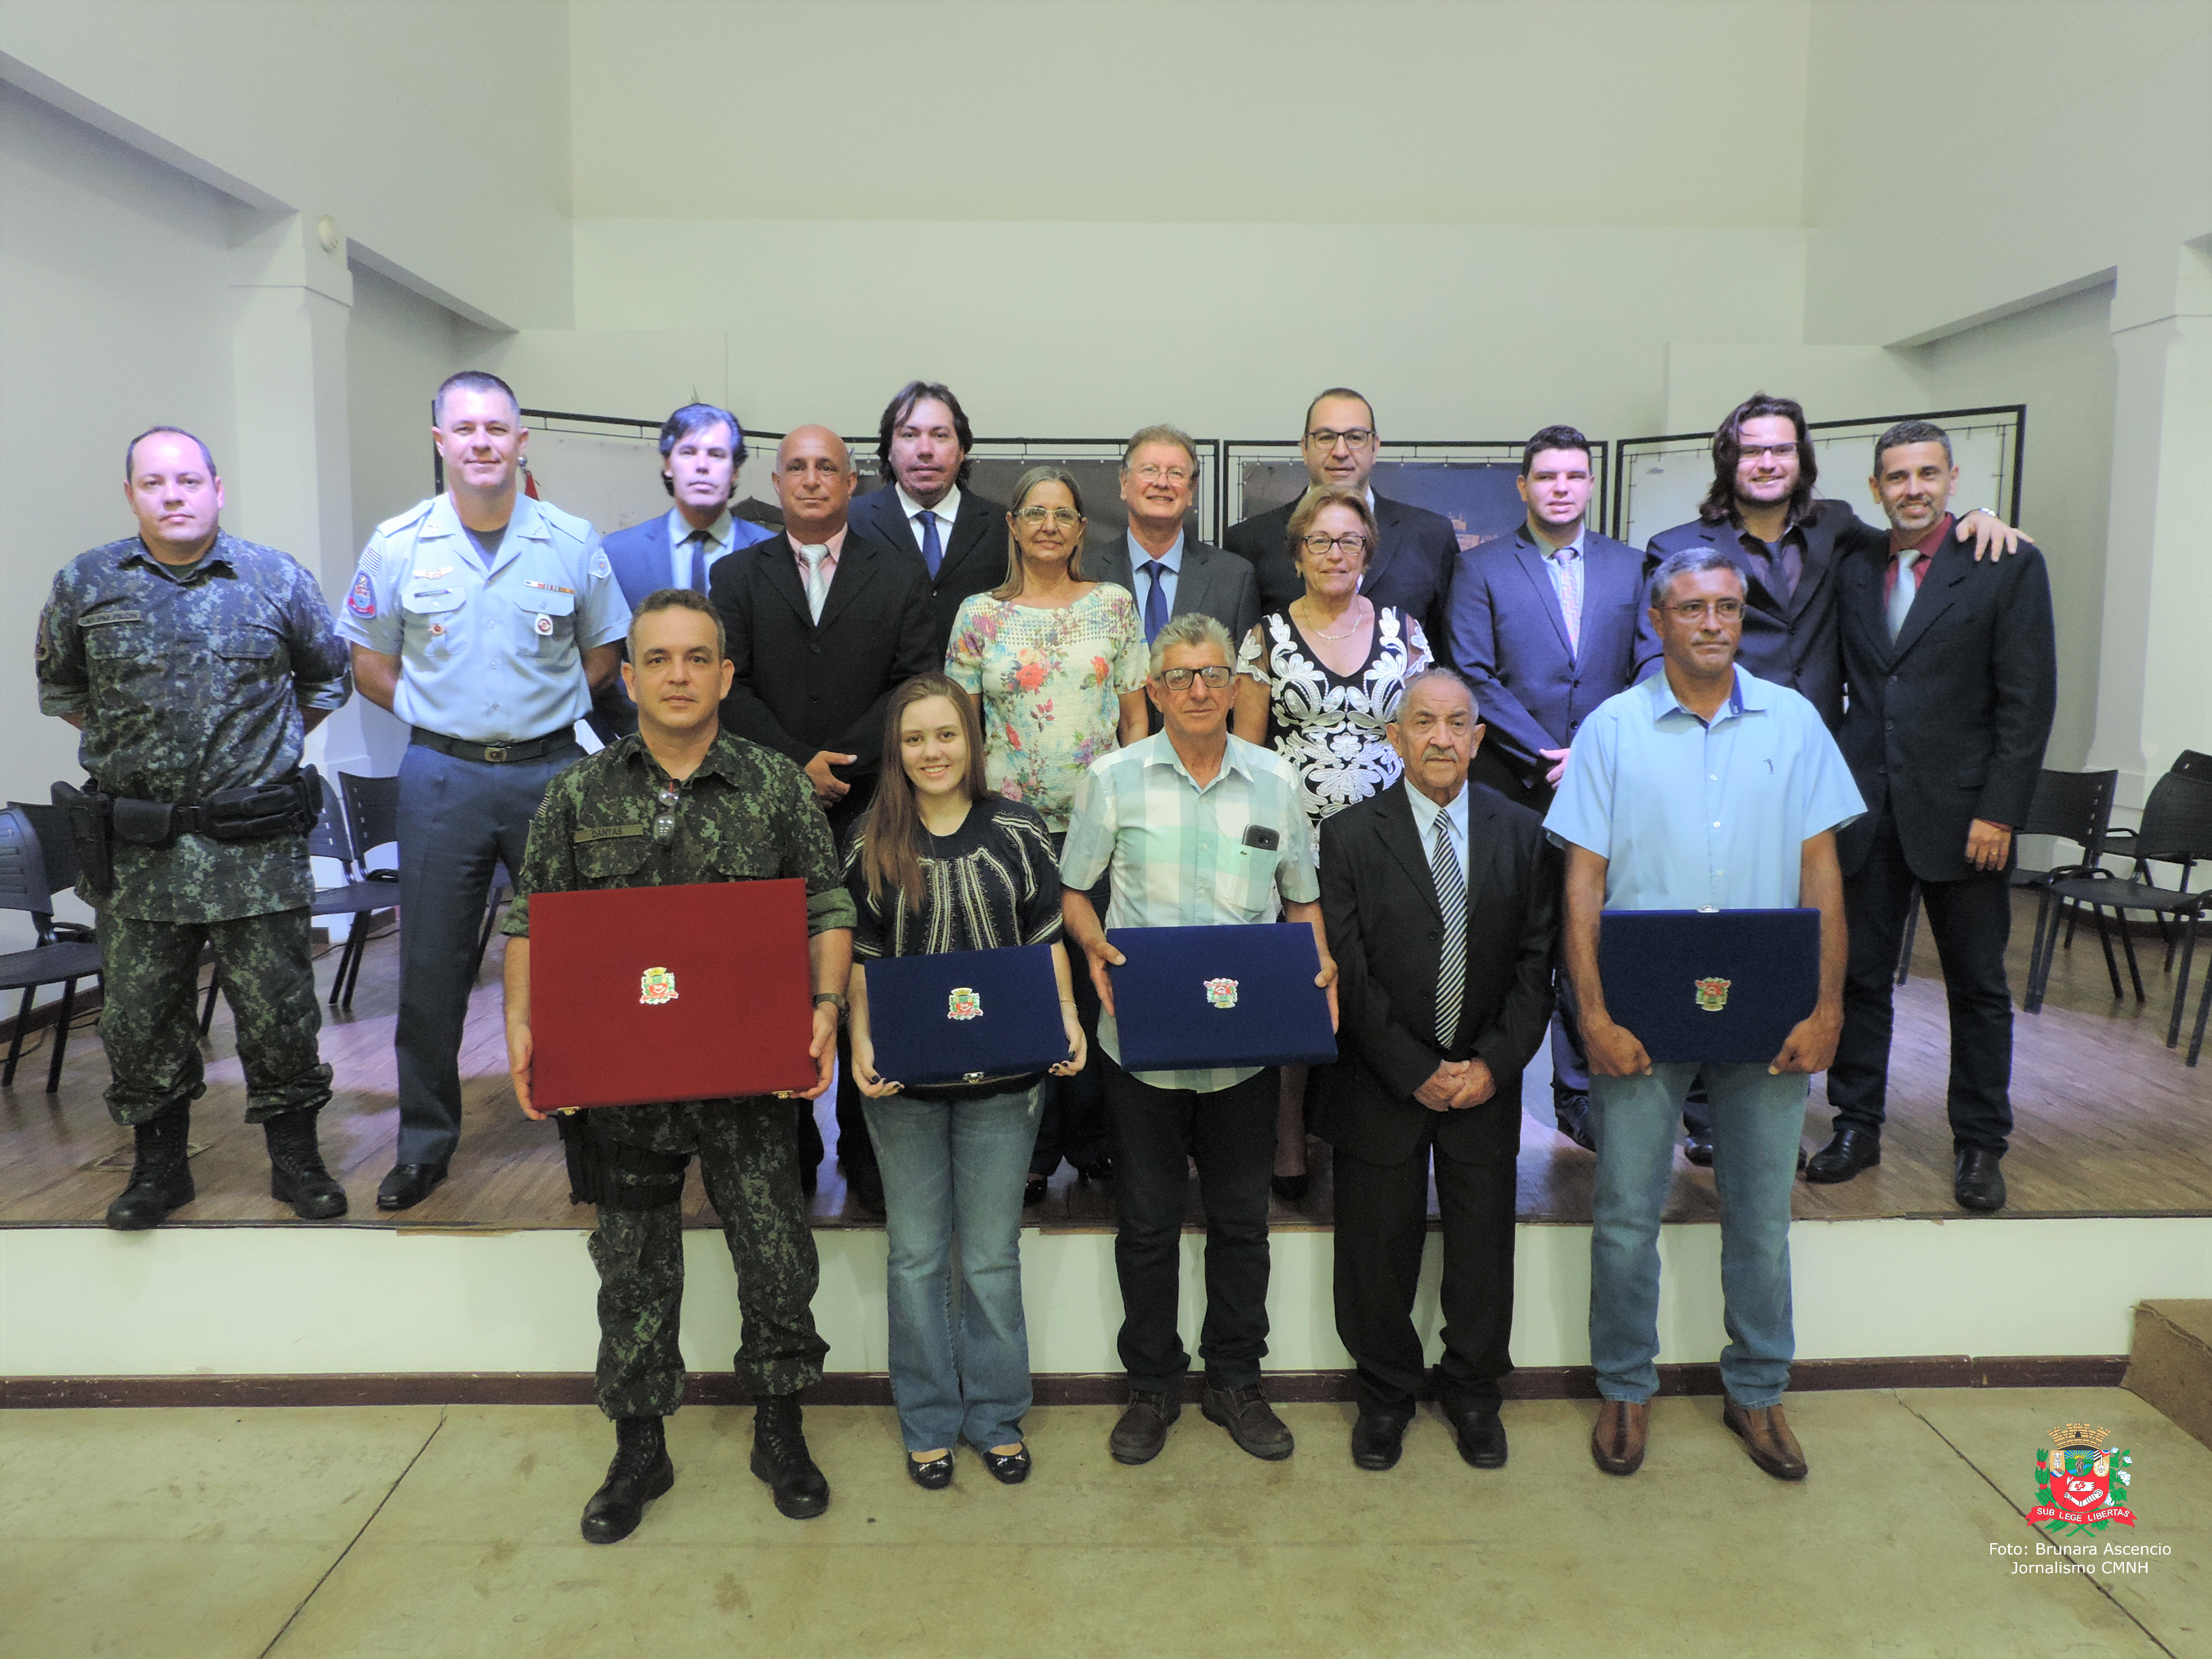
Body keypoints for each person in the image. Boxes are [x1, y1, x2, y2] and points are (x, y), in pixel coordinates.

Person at [501, 588, 852, 1541]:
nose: (679, 675)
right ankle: (640, 1445)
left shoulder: (776, 786)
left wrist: (825, 1009)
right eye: (658, 658)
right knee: (633, 1266)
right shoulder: (579, 794)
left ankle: (779, 1426)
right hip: (625, 1084)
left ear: (727, 675)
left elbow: (827, 907)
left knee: (777, 1256)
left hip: (750, 1078)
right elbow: (533, 918)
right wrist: (523, 1025)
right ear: (629, 673)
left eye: (698, 658)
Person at [1547, 548, 1864, 1483]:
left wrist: (1828, 1005)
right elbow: (1583, 884)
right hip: (1640, 1016)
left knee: (1762, 1216)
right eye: (1692, 608)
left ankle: (1759, 1394)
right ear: (1657, 622)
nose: (1713, 622)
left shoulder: (1796, 724)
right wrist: (1593, 1015)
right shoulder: (1611, 730)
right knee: (1624, 1213)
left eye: (1728, 606)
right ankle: (1625, 1389)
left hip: (1769, 1017)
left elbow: (1822, 876)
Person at [1639, 392, 2020, 1165]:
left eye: (1782, 449)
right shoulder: (1679, 543)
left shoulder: (1843, 529)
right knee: (1725, 933)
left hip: (1822, 768)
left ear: (1802, 460)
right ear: (1730, 460)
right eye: (1752, 451)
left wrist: (1982, 514)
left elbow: (1926, 535)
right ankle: (1716, 1108)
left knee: (1830, 951)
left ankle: (1886, 1121)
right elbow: (1656, 646)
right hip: (1723, 764)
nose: (1768, 462)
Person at [38, 426, 352, 1228]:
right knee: (139, 1022)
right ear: (131, 494)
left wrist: (255, 758)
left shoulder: (276, 578)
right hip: (140, 852)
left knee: (281, 1015)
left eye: (187, 481)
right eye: (154, 483)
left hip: (255, 847)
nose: (172, 495)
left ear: (217, 487)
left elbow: (325, 681)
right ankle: (158, 1170)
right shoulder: (86, 583)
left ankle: (297, 1162)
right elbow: (67, 691)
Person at [340, 371, 629, 1212]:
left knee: (579, 960)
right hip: (442, 774)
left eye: (496, 428)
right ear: (440, 440)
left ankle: (595, 1133)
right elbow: (368, 661)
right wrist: (439, 713)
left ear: (520, 439)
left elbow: (604, 649)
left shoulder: (571, 540)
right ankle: (425, 1143)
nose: (481, 442)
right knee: (429, 965)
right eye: (463, 428)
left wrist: (551, 709)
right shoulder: (399, 544)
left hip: (552, 771)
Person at [1060, 613, 1337, 1467]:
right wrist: (1094, 946)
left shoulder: (1275, 781)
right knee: (1144, 1222)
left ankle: (1234, 1381)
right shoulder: (1111, 780)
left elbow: (1300, 898)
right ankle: (1151, 1388)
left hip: (1245, 1044)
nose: (1196, 690)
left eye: (1213, 674)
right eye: (1178, 676)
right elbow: (1074, 891)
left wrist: (1320, 970)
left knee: (1241, 1221)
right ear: (1154, 688)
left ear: (1232, 684)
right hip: (1140, 1033)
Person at [844, 675, 1087, 1488]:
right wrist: (861, 1043)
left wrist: (1066, 1020)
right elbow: (859, 968)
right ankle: (928, 1419)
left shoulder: (1018, 831)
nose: (932, 752)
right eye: (915, 739)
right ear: (896, 750)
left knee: (988, 1257)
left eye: (946, 735)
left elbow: (1047, 939)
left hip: (1006, 1081)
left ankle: (995, 1414)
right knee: (915, 1256)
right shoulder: (868, 840)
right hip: (905, 1088)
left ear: (971, 741)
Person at [1811, 421, 2057, 1212]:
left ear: (1953, 478)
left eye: (1926, 474)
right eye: (1895, 476)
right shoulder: (1854, 561)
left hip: (1967, 819)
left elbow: (2027, 703)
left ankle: (1981, 1144)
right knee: (1860, 979)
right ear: (1876, 486)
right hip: (1869, 813)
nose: (1911, 489)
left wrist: (2000, 813)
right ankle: (1856, 1125)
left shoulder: (2006, 563)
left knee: (1977, 988)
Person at [1318, 668, 1557, 1473]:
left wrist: (1491, 1065)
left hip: (1484, 1081)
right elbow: (1347, 966)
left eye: (1459, 724)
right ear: (1397, 737)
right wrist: (1413, 1067)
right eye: (1424, 722)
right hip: (1383, 1079)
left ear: (1479, 738)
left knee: (1483, 1250)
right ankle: (1384, 1394)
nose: (1442, 739)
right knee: (1376, 1247)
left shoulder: (1523, 832)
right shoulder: (1351, 835)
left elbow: (1537, 962)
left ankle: (1473, 1392)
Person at [712, 425, 937, 1213]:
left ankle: (867, 1154)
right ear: (776, 483)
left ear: (852, 484)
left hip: (872, 802)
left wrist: (835, 763)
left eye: (828, 469)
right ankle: (792, 1150)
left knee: (873, 969)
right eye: (797, 468)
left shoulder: (900, 574)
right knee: (776, 975)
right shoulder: (734, 574)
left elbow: (913, 683)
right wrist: (792, 764)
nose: (812, 481)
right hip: (767, 806)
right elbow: (726, 684)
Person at [943, 467, 1148, 1203]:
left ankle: (1094, 1141)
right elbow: (962, 727)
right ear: (1014, 525)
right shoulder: (978, 615)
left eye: (1064, 515)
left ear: (1081, 527)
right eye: (1036, 513)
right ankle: (1032, 1145)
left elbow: (1134, 720)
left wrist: (1135, 810)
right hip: (1007, 831)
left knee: (1096, 981)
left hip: (1099, 828)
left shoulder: (1114, 607)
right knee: (1023, 983)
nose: (1050, 526)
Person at [1448, 426, 1653, 1152]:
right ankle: (1488, 1083)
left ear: (1592, 483)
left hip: (1610, 787)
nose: (1560, 487)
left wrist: (1595, 749)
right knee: (1514, 938)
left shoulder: (1634, 568)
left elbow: (1651, 667)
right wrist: (1547, 751)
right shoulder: (1482, 569)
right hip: (1516, 785)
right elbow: (1474, 674)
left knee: (1592, 938)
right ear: (1523, 486)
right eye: (1546, 476)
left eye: (1574, 475)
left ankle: (1582, 1095)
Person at [1232, 485, 1432, 1201]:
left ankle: (1374, 1135)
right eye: (1321, 541)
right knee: (1306, 989)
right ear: (1297, 555)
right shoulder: (1263, 639)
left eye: (1350, 541)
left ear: (1368, 554)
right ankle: (1289, 1136)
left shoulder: (1405, 634)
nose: (1336, 553)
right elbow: (1248, 757)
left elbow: (1425, 737)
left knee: (1382, 993)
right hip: (1298, 845)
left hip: (1387, 845)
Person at [1222, 388, 1458, 655]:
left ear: (1375, 446)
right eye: (1326, 437)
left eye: (1355, 437)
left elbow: (1447, 659)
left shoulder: (1431, 536)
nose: (1340, 451)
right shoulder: (1249, 541)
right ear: (1304, 447)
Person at [594, 403, 773, 738]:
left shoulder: (772, 554)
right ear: (668, 465)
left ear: (735, 470)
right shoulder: (618, 554)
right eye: (689, 452)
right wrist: (640, 737)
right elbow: (604, 669)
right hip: (646, 745)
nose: (702, 466)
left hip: (752, 750)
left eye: (717, 455)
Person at [848, 381, 1009, 657]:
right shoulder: (853, 521)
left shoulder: (1001, 526)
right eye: (909, 435)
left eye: (940, 435)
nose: (925, 449)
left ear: (962, 450)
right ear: (888, 448)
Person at [1090, 424, 1263, 656]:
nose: (1162, 483)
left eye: (1176, 473)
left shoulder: (1233, 579)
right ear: (1124, 483)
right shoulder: (1086, 573)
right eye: (1150, 470)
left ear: (1191, 490)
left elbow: (1246, 679)